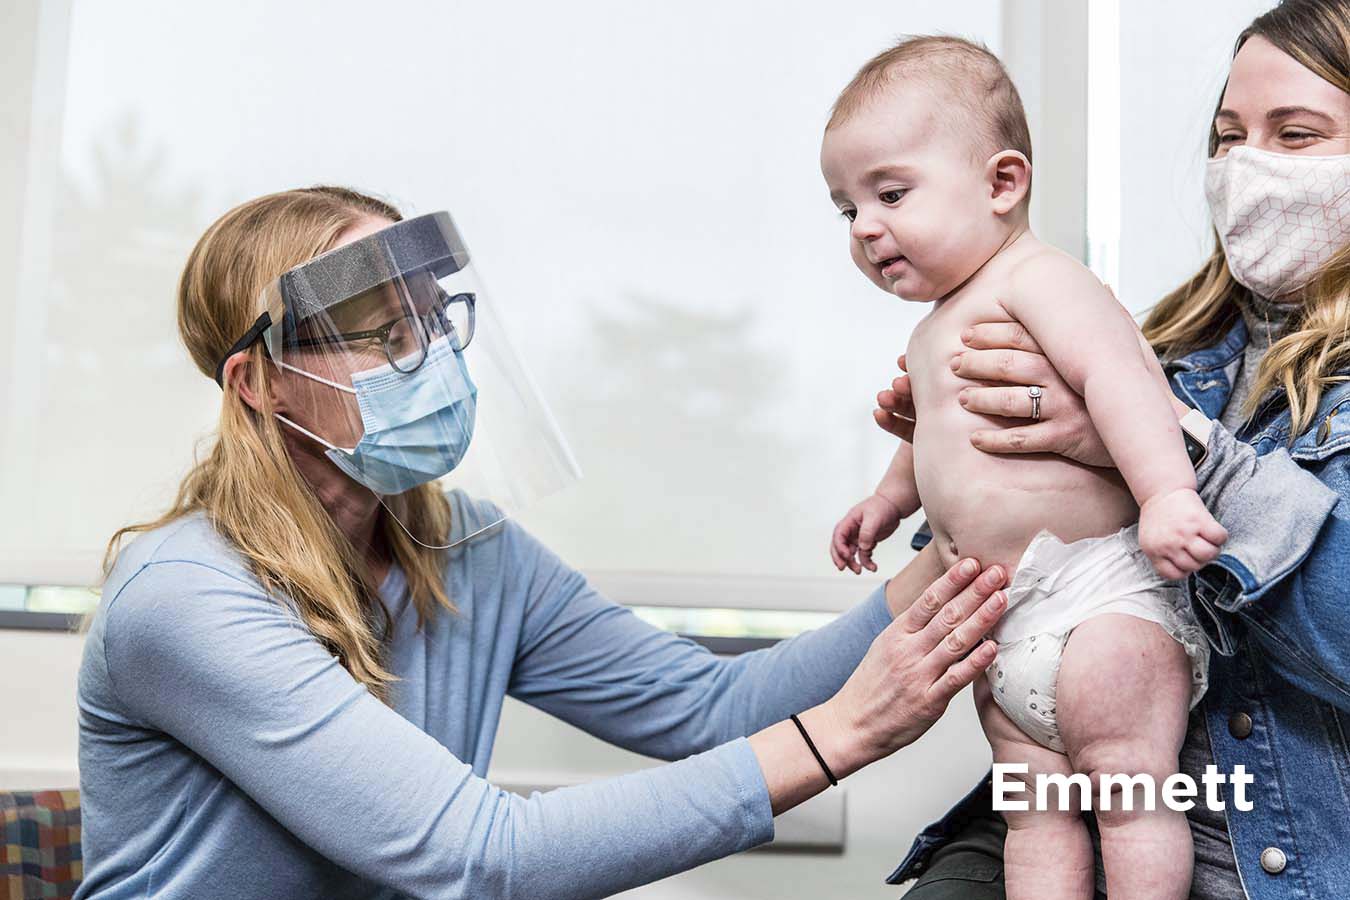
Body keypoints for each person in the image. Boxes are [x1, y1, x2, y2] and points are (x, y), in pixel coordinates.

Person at [74, 186, 1011, 900]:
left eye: (434, 321)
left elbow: (711, 704)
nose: (431, 357)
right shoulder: (186, 596)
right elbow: (479, 855)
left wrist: (964, 531)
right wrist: (841, 735)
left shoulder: (468, 549)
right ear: (259, 383)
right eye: (381, 334)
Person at [878, 3, 1350, 897]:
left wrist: (1171, 454)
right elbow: (1016, 573)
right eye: (1227, 136)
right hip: (1059, 796)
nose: (1246, 167)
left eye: (1295, 135)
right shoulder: (1166, 346)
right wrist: (961, 450)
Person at [822, 35, 1222, 899]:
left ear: (1003, 183)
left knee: (1131, 797)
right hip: (1008, 622)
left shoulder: (1042, 279)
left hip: (1101, 601)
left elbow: (1119, 381)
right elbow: (931, 435)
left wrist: (1164, 494)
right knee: (1033, 820)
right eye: (846, 208)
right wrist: (887, 503)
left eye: (890, 193)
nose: (866, 227)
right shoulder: (933, 329)